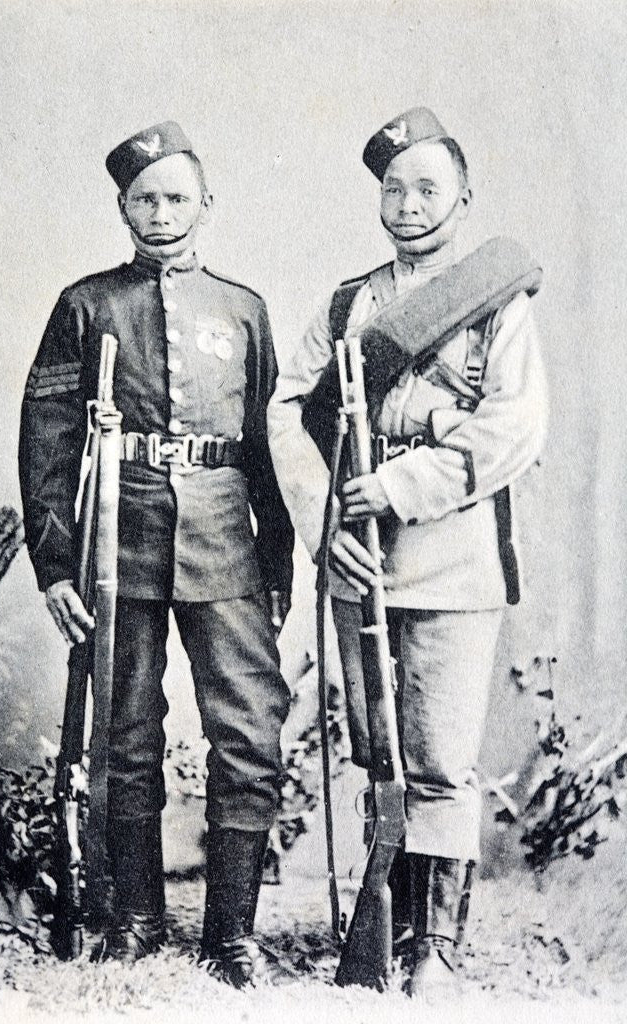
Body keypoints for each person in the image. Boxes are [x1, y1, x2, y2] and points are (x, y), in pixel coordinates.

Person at [267, 106, 547, 998]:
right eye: (394, 189)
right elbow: (285, 413)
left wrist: (397, 485)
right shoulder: (349, 304)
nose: (409, 205)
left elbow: (514, 428)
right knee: (379, 758)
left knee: (441, 763)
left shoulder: (493, 301)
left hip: (455, 559)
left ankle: (437, 947)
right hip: (358, 559)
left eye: (429, 188)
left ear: (464, 199)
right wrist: (327, 525)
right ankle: (383, 928)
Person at [19, 120, 294, 984]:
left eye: (178, 197)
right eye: (146, 199)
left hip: (225, 546)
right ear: (121, 208)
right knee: (125, 737)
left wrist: (278, 566)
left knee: (247, 736)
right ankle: (133, 920)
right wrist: (56, 565)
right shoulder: (86, 305)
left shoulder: (243, 309)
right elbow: (49, 440)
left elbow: (267, 447)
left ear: (206, 204)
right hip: (118, 543)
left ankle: (230, 935)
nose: (162, 213)